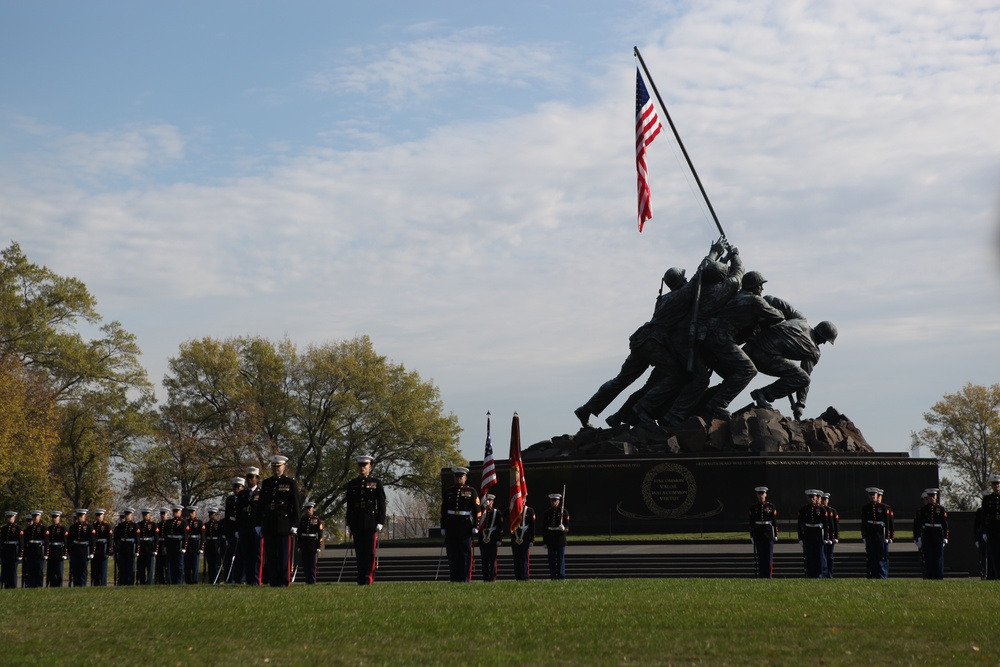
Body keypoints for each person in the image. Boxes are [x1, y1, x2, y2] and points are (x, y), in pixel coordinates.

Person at [744, 314, 838, 419]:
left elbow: (771, 299)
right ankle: (763, 394)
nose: (824, 343)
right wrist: (800, 403)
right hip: (762, 357)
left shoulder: (799, 321)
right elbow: (804, 376)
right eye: (826, 340)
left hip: (749, 347)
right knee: (803, 378)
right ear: (823, 337)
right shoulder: (813, 351)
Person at [255, 455, 302, 588]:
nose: (276, 469)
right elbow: (261, 505)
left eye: (279, 466)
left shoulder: (290, 483)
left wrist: (295, 524)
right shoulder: (267, 483)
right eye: (274, 466)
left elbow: (296, 504)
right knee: (270, 554)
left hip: (284, 523)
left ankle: (283, 580)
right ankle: (273, 580)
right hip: (269, 522)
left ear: (284, 467)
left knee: (283, 555)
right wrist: (258, 523)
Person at [345, 455, 386, 585]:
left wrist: (380, 521)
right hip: (357, 521)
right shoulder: (352, 484)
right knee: (360, 553)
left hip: (370, 521)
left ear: (370, 467)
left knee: (369, 553)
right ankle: (361, 577)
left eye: (365, 465)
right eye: (360, 465)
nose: (362, 468)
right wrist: (349, 523)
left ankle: (368, 577)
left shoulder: (376, 483)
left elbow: (381, 504)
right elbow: (350, 506)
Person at [440, 466, 481, 583]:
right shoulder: (449, 492)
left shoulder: (471, 491)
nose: (458, 479)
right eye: (456, 477)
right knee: (453, 553)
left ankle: (465, 578)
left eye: (461, 477)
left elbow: (477, 510)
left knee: (465, 553)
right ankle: (454, 577)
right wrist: (443, 526)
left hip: (465, 526)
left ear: (465, 478)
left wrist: (476, 526)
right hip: (452, 525)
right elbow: (443, 510)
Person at [913, 488, 949, 580]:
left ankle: (938, 575)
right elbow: (918, 524)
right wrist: (918, 537)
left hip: (938, 535)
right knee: (929, 557)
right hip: (927, 534)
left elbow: (945, 524)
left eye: (933, 496)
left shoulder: (940, 509)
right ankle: (930, 576)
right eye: (930, 496)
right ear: (927, 498)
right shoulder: (923, 510)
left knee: (938, 557)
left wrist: (945, 537)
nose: (932, 498)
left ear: (936, 497)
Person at [236, 467, 263, 585]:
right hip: (244, 527)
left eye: (252, 477)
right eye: (248, 478)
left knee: (256, 555)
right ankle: (248, 579)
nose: (249, 480)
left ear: (257, 479)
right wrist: (237, 529)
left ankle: (256, 580)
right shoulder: (242, 494)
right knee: (246, 555)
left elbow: (262, 512)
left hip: (256, 527)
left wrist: (261, 526)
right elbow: (238, 512)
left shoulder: (261, 493)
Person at [861, 487, 894, 579]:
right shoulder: (866, 508)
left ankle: (882, 575)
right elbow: (863, 522)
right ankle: (872, 574)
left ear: (877, 496)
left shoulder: (883, 507)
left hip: (880, 534)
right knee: (871, 556)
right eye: (871, 495)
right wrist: (864, 535)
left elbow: (888, 522)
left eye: (874, 495)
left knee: (881, 556)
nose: (872, 497)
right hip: (870, 534)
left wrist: (889, 536)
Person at [797, 490, 828, 578]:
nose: (812, 499)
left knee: (819, 556)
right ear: (807, 498)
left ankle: (820, 575)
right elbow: (800, 525)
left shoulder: (821, 509)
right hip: (808, 535)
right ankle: (811, 575)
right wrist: (800, 538)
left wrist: (826, 537)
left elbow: (825, 525)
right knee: (810, 557)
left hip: (818, 535)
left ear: (816, 498)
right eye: (810, 497)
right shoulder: (803, 509)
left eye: (813, 497)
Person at [748, 486, 777, 578]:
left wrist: (775, 534)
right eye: (759, 494)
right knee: (761, 557)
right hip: (758, 533)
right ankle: (761, 576)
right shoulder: (753, 507)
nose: (761, 496)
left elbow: (774, 521)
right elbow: (751, 523)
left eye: (763, 494)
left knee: (768, 558)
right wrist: (752, 536)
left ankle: (768, 576)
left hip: (768, 534)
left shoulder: (770, 506)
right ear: (757, 495)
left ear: (766, 494)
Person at [542, 493, 570, 580]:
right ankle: (553, 575)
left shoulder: (563, 512)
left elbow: (567, 526)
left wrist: (564, 528)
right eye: (552, 501)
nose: (554, 502)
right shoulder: (547, 513)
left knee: (560, 558)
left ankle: (561, 575)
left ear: (559, 501)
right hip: (550, 537)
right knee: (551, 558)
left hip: (560, 538)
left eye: (556, 501)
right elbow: (544, 528)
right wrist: (545, 541)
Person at [477, 493, 503, 582]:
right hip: (483, 539)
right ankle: (485, 578)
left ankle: (492, 578)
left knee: (492, 560)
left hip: (492, 538)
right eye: (486, 500)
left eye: (490, 500)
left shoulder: (497, 512)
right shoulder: (481, 512)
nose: (488, 502)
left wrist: (499, 539)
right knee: (484, 560)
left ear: (493, 501)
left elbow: (500, 527)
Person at [223, 477, 244, 583]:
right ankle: (234, 577)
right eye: (234, 487)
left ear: (242, 487)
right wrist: (227, 535)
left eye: (238, 487)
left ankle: (242, 577)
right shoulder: (230, 500)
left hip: (241, 529)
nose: (236, 490)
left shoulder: (245, 498)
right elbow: (227, 518)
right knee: (233, 555)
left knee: (242, 555)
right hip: (231, 531)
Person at [510, 495, 536, 581]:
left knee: (524, 558)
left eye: (523, 499)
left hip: (525, 537)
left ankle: (525, 577)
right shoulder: (513, 509)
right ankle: (518, 576)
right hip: (515, 536)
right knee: (516, 558)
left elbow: (532, 526)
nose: (522, 501)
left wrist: (532, 539)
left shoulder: (530, 510)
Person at [298, 502, 324, 585]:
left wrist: (318, 546)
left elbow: (320, 534)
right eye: (307, 509)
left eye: (309, 509)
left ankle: (312, 580)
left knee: (312, 564)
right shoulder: (302, 520)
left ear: (313, 509)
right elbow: (299, 533)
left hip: (312, 543)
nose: (308, 510)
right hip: (304, 542)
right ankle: (307, 580)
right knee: (305, 564)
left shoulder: (316, 520)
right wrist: (299, 545)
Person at [20, 510, 47, 588]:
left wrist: (45, 553)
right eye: (33, 517)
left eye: (36, 517)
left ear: (39, 517)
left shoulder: (43, 528)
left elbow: (46, 541)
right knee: (31, 569)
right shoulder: (29, 529)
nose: (34, 518)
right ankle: (31, 584)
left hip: (39, 551)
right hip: (30, 552)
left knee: (39, 570)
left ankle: (39, 584)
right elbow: (25, 542)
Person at [163, 505, 189, 585]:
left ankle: (179, 581)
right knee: (171, 565)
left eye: (176, 512)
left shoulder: (183, 522)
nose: (175, 513)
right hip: (171, 546)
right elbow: (165, 535)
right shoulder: (169, 522)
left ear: (180, 512)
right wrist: (165, 546)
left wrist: (184, 547)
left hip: (179, 545)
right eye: (174, 511)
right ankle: (172, 581)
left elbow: (185, 536)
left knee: (179, 565)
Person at [67, 509, 93, 587]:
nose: (79, 518)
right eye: (78, 516)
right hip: (75, 550)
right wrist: (69, 551)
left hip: (84, 550)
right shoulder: (73, 527)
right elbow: (69, 540)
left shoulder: (89, 527)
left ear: (85, 516)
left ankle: (83, 584)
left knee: (83, 569)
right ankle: (76, 584)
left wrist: (91, 552)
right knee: (75, 569)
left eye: (81, 516)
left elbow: (92, 540)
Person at [981, 474, 1000, 579]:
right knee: (994, 555)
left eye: (998, 483)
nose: (996, 485)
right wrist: (984, 531)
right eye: (994, 483)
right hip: (992, 531)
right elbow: (984, 516)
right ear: (991, 485)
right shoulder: (987, 499)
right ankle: (996, 576)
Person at [113, 508, 138, 586]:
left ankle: (130, 583)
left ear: (131, 515)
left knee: (131, 568)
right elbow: (116, 539)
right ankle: (123, 582)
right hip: (122, 548)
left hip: (131, 548)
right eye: (126, 515)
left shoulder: (134, 526)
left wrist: (137, 550)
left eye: (128, 515)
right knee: (122, 567)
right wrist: (116, 550)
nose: (127, 516)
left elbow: (137, 539)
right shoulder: (120, 526)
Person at [136, 509, 158, 585]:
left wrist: (155, 549)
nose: (145, 516)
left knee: (150, 567)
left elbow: (156, 538)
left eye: (147, 514)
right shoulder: (139, 524)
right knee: (141, 567)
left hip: (149, 547)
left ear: (149, 515)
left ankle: (149, 582)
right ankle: (142, 581)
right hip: (142, 547)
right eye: (144, 515)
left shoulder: (153, 525)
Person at [91, 509, 113, 586]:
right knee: (95, 569)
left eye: (99, 516)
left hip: (103, 548)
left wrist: (109, 550)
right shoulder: (93, 526)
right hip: (96, 549)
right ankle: (96, 584)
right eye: (97, 516)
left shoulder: (107, 526)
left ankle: (103, 584)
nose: (98, 517)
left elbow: (109, 539)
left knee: (103, 569)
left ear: (103, 516)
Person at [46, 511, 68, 588]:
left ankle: (59, 585)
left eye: (56, 517)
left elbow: (65, 541)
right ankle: (52, 585)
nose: (54, 519)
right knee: (51, 571)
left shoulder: (62, 528)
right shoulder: (49, 528)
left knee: (59, 572)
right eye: (53, 517)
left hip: (59, 552)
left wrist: (65, 553)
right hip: (51, 552)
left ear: (59, 518)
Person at [203, 508, 225, 584]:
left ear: (215, 514)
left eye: (212, 514)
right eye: (210, 514)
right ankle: (211, 579)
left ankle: (217, 579)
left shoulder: (218, 524)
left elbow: (220, 535)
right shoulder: (206, 524)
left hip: (216, 544)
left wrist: (219, 545)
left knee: (216, 563)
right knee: (210, 563)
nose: (211, 516)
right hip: (209, 544)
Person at [184, 506, 205, 584]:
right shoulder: (186, 522)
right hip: (188, 545)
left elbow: (203, 536)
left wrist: (202, 547)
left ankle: (195, 580)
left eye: (192, 513)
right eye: (190, 513)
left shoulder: (199, 522)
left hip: (195, 544)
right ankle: (188, 580)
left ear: (195, 513)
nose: (191, 514)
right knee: (187, 565)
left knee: (195, 565)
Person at [821, 492, 840, 578]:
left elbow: (836, 525)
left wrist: (836, 536)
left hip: (831, 537)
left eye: (826, 499)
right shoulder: (820, 510)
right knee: (823, 556)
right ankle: (824, 573)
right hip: (822, 536)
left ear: (828, 500)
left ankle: (830, 574)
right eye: (823, 499)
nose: (824, 501)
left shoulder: (833, 511)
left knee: (830, 556)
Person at [154, 508, 171, 584]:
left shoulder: (169, 524)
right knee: (159, 565)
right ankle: (161, 580)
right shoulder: (158, 525)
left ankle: (168, 579)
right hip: (160, 545)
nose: (163, 516)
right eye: (162, 514)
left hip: (166, 545)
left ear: (167, 515)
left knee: (167, 564)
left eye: (164, 514)